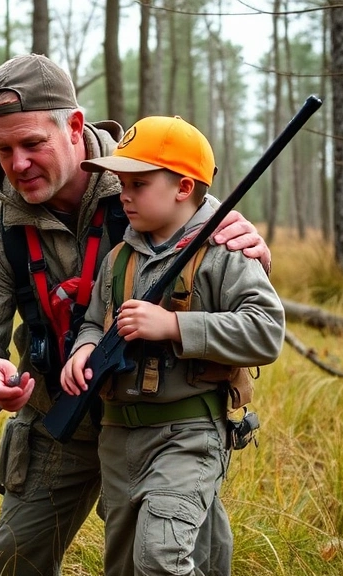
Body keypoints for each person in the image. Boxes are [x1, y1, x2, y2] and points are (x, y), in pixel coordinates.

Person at [0, 54, 271, 576]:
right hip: (59, 419)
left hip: (167, 423)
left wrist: (247, 243)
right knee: (13, 562)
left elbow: (223, 262)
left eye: (32, 144)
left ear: (74, 126)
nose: (17, 163)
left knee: (172, 561)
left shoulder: (148, 181)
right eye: (3, 149)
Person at [60, 114, 285, 575]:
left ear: (183, 188)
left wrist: (175, 327)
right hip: (119, 437)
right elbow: (92, 321)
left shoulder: (227, 252)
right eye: (121, 182)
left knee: (161, 558)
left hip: (187, 433)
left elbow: (266, 331)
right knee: (124, 564)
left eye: (138, 183)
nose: (123, 194)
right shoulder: (118, 257)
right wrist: (84, 349)